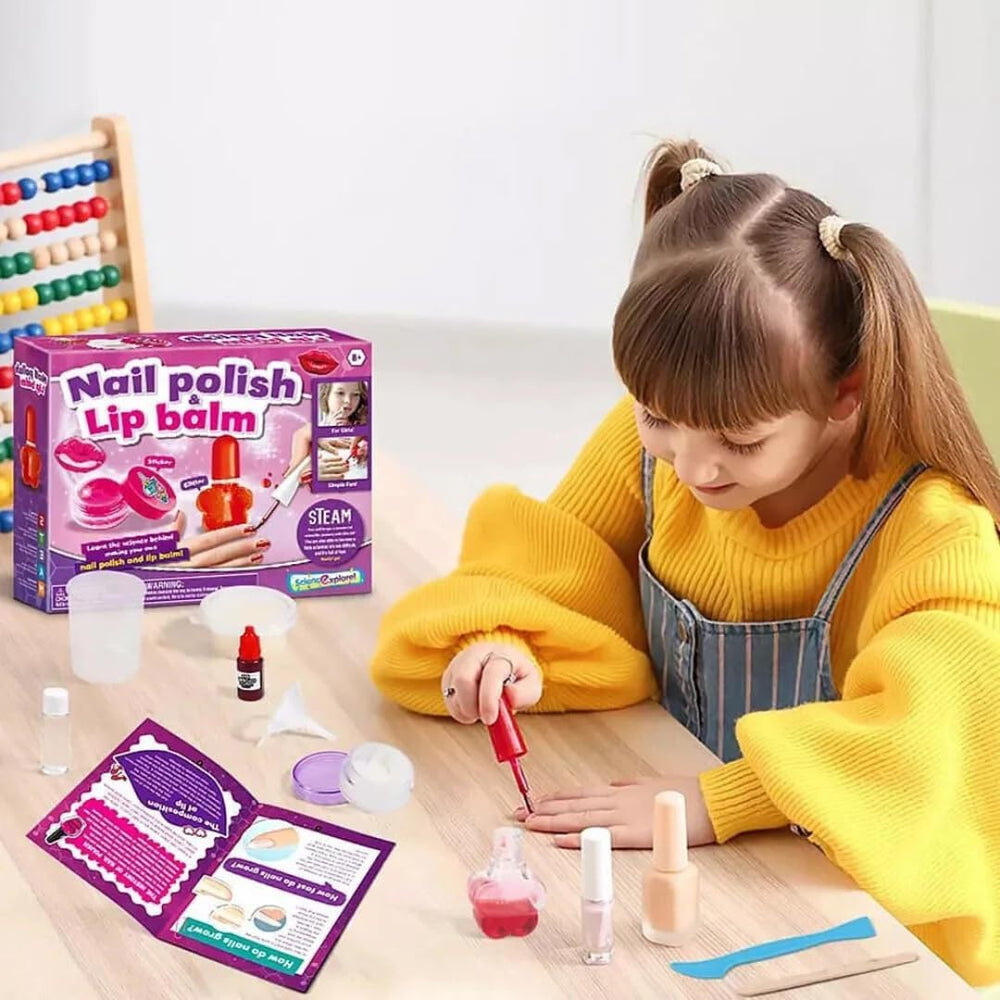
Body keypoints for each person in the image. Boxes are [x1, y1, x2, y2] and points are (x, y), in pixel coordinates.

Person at [368, 139, 1000, 986]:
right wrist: (503, 646)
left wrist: (715, 799)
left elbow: (935, 744)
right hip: (677, 862)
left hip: (831, 911)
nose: (695, 468)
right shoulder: (655, 450)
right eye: (658, 417)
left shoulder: (932, 531)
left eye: (741, 439)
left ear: (844, 392)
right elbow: (546, 566)